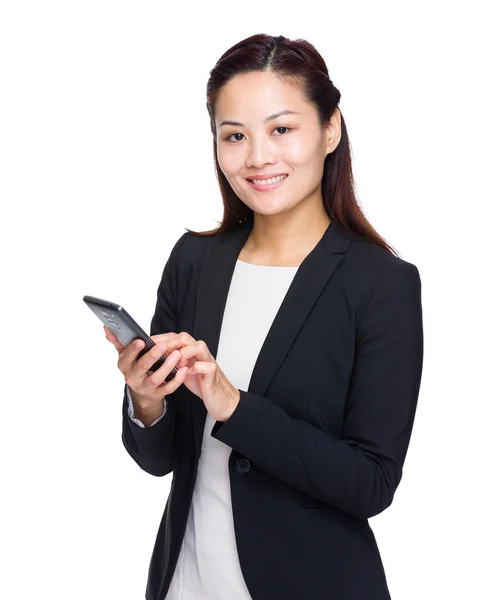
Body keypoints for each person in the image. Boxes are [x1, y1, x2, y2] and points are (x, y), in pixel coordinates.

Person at [104, 33, 424, 600]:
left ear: (330, 129)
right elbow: (159, 461)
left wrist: (232, 405)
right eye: (234, 135)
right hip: (187, 583)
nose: (256, 157)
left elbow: (371, 483)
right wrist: (146, 400)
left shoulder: (381, 284)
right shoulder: (193, 261)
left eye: (281, 129)